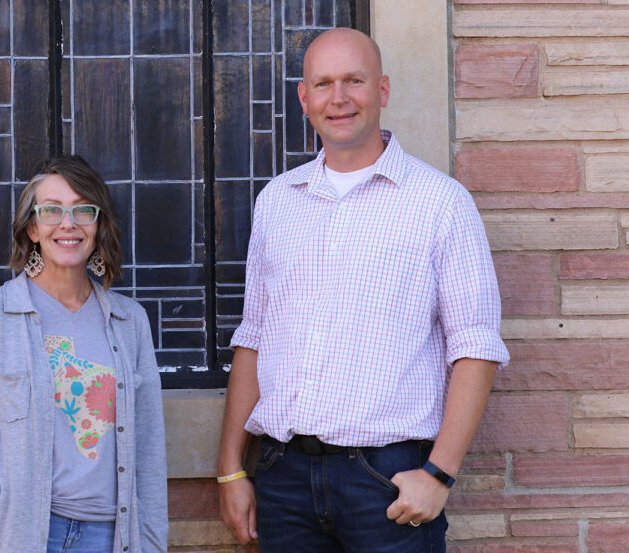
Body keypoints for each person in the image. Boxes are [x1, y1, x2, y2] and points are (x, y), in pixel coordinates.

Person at [216, 28, 510, 552]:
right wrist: (230, 471)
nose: (340, 98)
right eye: (324, 83)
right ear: (304, 98)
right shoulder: (278, 202)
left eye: (354, 80)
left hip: (388, 480)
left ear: (383, 90)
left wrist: (439, 474)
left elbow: (476, 347)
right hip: (283, 478)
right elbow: (254, 338)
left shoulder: (440, 203)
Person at [0, 156, 168, 553]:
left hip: (109, 537)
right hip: (26, 535)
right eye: (51, 211)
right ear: (32, 227)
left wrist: (152, 545)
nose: (68, 224)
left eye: (83, 210)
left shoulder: (129, 321)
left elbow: (150, 455)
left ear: (97, 224)